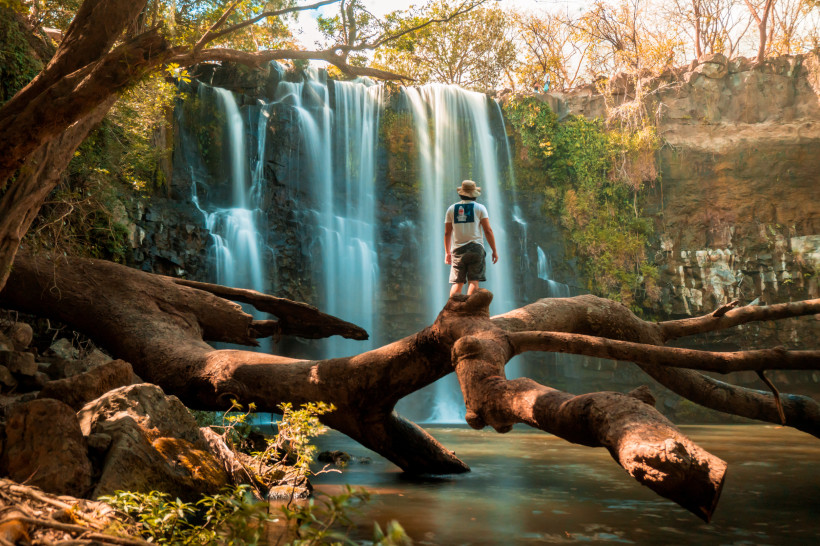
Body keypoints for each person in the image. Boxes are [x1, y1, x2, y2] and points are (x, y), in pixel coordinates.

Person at [444, 180, 498, 297]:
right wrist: (494, 250)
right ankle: (469, 311)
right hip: (476, 248)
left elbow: (447, 233)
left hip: (458, 250)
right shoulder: (480, 208)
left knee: (457, 283)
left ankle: (453, 312)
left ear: (461, 193)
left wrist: (447, 252)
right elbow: (488, 231)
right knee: (473, 281)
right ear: (474, 194)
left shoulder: (451, 209)